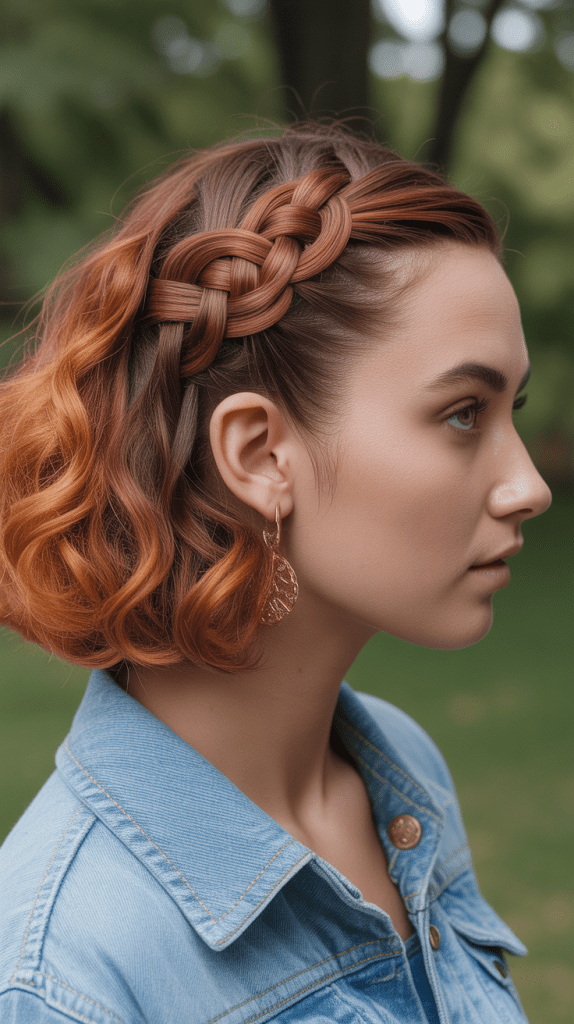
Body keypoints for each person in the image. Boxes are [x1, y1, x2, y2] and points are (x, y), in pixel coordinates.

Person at [0, 122, 551, 1024]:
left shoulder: (400, 774)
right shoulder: (65, 976)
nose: (528, 485)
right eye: (463, 413)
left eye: (511, 411)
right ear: (259, 454)